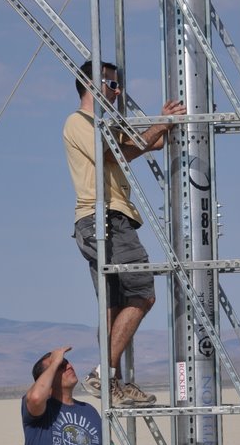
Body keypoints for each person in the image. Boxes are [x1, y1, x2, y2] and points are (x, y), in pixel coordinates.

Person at [64, 59, 184, 407]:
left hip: (109, 219)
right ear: (92, 85)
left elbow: (145, 145)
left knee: (116, 304)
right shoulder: (80, 122)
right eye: (113, 86)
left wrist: (164, 125)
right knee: (143, 290)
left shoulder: (102, 124)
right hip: (104, 217)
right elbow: (115, 154)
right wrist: (158, 126)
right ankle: (104, 375)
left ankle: (111, 378)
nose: (117, 94)